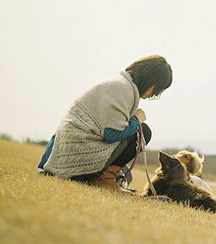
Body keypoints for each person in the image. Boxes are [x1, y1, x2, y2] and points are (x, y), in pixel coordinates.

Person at [37, 55, 173, 193]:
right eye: (158, 89)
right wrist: (136, 119)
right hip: (77, 151)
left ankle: (103, 177)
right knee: (143, 131)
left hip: (69, 148)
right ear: (151, 79)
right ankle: (104, 179)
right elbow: (112, 134)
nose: (154, 94)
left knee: (138, 129)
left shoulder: (119, 84)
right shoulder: (124, 90)